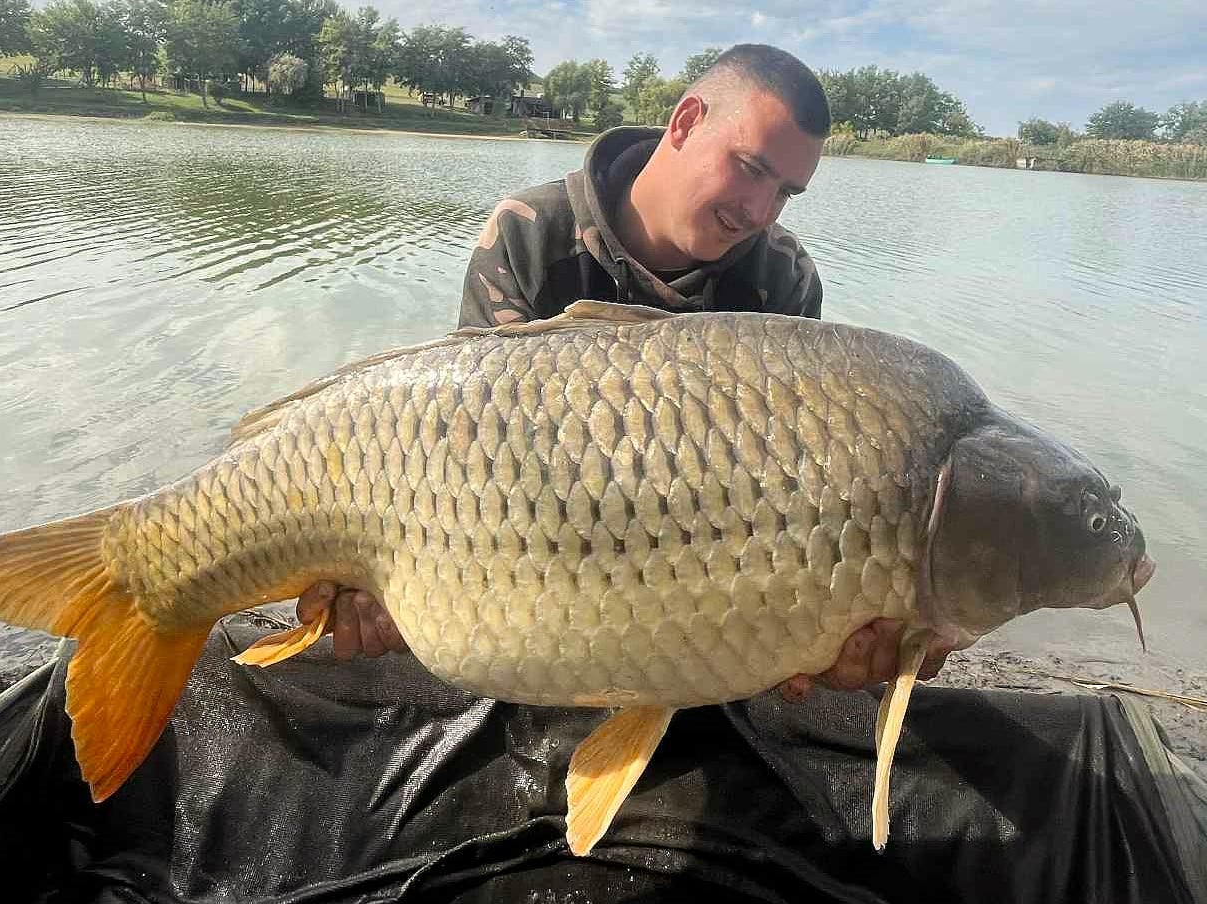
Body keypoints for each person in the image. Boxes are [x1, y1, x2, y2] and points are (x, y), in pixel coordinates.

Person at [292, 44, 952, 699]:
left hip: (702, 602)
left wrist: (831, 617)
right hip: (533, 566)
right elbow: (464, 457)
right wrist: (398, 584)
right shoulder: (530, 234)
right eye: (751, 168)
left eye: (785, 192)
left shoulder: (783, 278)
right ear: (686, 122)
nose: (759, 210)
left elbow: (798, 491)